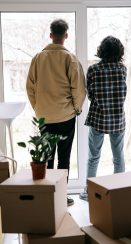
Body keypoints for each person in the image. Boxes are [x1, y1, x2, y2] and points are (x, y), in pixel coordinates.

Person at [26, 19, 86, 206]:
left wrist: (38, 108)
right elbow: (78, 88)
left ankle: (47, 196)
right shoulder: (70, 59)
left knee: (47, 157)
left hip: (45, 116)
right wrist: (76, 108)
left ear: (51, 35)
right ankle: (60, 197)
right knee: (64, 158)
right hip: (66, 115)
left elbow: (30, 88)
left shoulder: (37, 58)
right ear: (65, 36)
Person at [80, 36, 127, 201]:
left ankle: (88, 192)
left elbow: (91, 95)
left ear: (101, 51)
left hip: (98, 118)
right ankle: (120, 190)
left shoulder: (93, 70)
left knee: (94, 156)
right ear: (119, 52)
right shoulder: (122, 69)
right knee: (118, 156)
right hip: (117, 119)